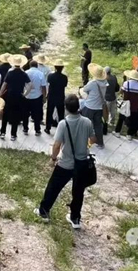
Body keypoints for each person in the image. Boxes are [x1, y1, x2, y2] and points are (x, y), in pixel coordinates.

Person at [34, 94, 95, 229]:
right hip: (82, 163)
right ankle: (75, 218)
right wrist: (85, 146)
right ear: (79, 107)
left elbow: (57, 145)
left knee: (53, 187)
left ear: (66, 108)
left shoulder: (63, 123)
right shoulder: (87, 122)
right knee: (78, 192)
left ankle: (44, 211)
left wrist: (53, 158)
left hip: (66, 163)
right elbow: (93, 139)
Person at [0, 54, 29, 141]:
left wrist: (0, 94)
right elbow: (30, 85)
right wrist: (25, 94)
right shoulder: (23, 74)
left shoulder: (10, 73)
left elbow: (4, 85)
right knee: (16, 115)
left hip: (9, 96)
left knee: (5, 114)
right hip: (19, 96)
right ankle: (13, 135)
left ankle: (2, 132)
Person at [80, 63, 107, 148]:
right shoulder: (105, 82)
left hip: (90, 106)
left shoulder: (93, 83)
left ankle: (84, 142)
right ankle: (100, 143)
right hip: (99, 107)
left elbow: (84, 89)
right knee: (98, 126)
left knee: (85, 125)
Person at [114, 70, 138, 138]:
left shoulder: (126, 83)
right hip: (135, 106)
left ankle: (117, 132)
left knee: (121, 119)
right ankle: (129, 135)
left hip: (125, 104)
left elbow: (121, 92)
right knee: (132, 120)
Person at [23, 60, 47, 136]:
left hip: (27, 96)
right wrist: (44, 97)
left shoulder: (25, 73)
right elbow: (43, 87)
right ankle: (37, 130)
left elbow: (23, 85)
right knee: (37, 114)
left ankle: (25, 128)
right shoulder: (40, 74)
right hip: (37, 96)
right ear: (37, 66)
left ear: (30, 66)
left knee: (25, 114)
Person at [45, 59, 68, 135]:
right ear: (62, 68)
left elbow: (48, 83)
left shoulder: (50, 76)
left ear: (55, 67)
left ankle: (48, 128)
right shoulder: (64, 77)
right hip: (60, 96)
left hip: (51, 96)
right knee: (61, 114)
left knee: (49, 112)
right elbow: (65, 85)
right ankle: (61, 129)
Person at [104, 66, 120, 131]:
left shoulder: (104, 79)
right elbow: (117, 87)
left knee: (106, 112)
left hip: (106, 98)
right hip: (113, 97)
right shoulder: (114, 77)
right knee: (113, 111)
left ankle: (105, 123)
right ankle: (112, 122)